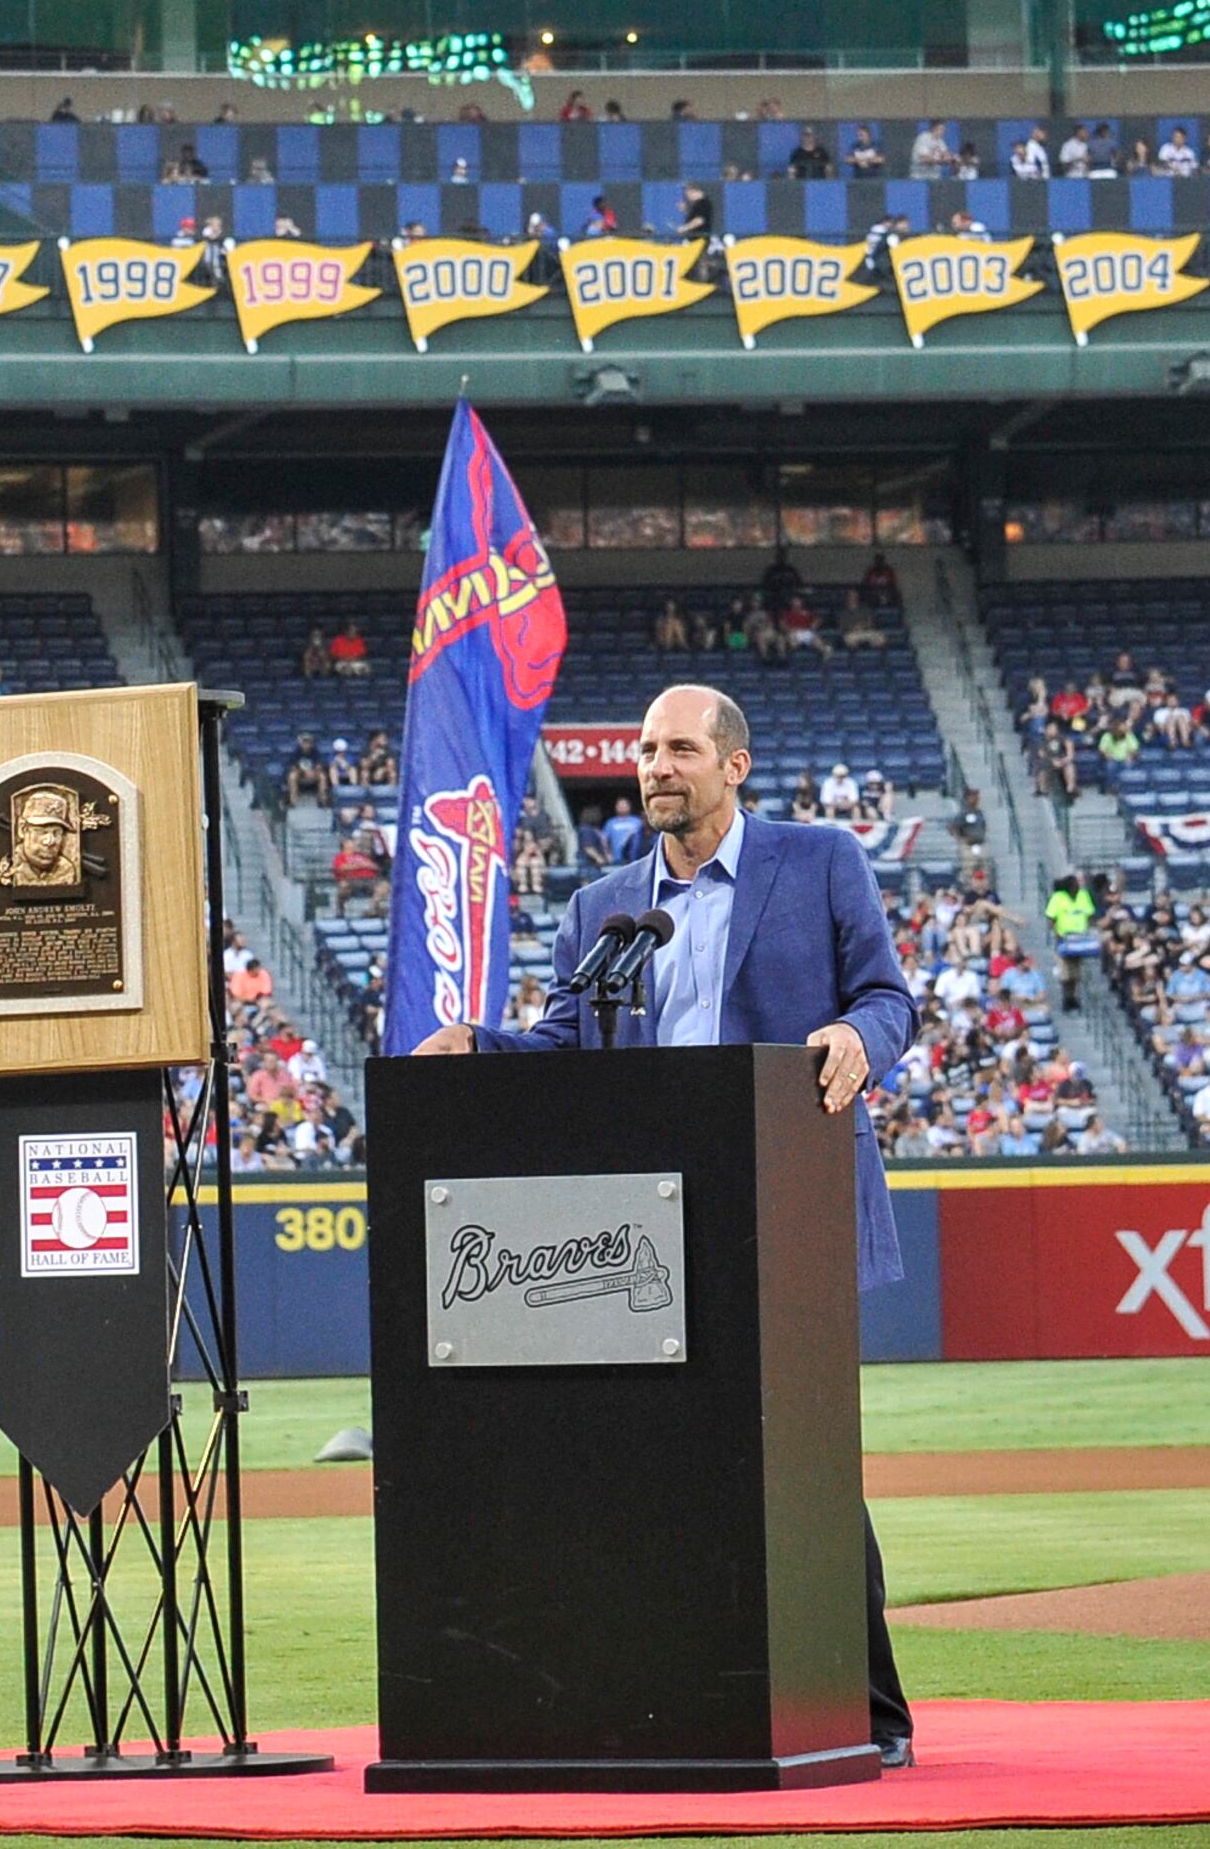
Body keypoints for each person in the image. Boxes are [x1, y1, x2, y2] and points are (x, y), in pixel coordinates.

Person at [408, 683, 918, 1768]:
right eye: (646, 750)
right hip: (642, 1226)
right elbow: (564, 1042)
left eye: (680, 748)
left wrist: (853, 1039)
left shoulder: (820, 860)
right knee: (663, 1464)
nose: (656, 766)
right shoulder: (603, 909)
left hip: (784, 1205)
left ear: (734, 764)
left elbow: (888, 998)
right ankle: (683, 1698)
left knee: (808, 1466)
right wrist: (476, 1045)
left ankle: (868, 1713)